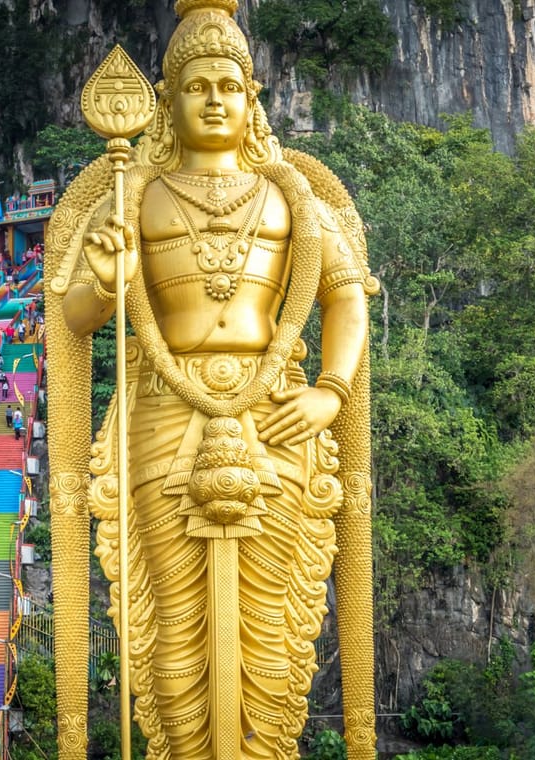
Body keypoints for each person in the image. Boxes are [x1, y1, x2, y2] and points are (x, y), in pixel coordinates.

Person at [43, 0, 375, 756]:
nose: (216, 100)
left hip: (276, 410)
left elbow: (346, 295)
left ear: (252, 97)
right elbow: (76, 315)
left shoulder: (293, 196)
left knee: (271, 629)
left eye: (230, 85)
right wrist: (107, 278)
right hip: (164, 410)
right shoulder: (133, 194)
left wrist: (330, 389)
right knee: (172, 629)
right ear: (168, 101)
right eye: (197, 87)